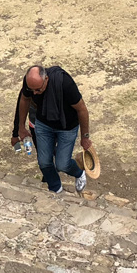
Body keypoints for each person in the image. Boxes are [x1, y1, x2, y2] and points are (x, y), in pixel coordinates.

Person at [15, 65, 93, 195]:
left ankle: (79, 172)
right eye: (32, 89)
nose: (34, 93)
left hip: (67, 127)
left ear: (46, 79)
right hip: (43, 124)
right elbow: (24, 99)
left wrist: (85, 137)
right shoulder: (30, 83)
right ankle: (55, 188)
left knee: (62, 164)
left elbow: (82, 109)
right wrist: (21, 127)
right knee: (44, 161)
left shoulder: (65, 84)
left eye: (38, 90)